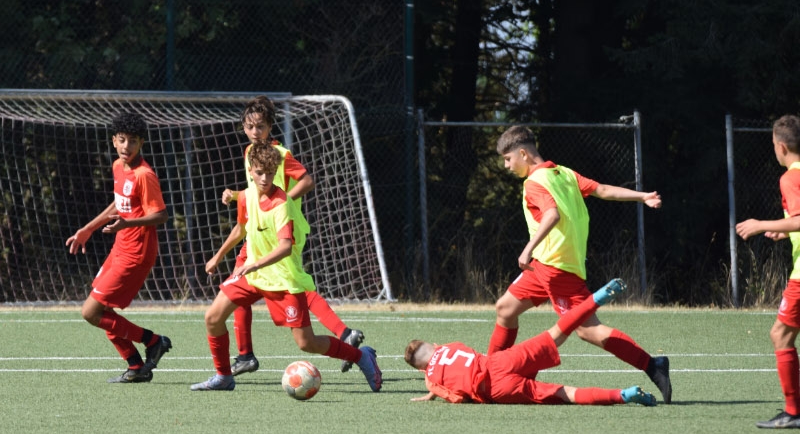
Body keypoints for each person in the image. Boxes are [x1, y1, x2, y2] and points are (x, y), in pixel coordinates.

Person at [490, 125, 672, 403]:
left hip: (557, 270)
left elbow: (551, 215)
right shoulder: (564, 173)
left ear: (523, 154)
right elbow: (603, 190)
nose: (506, 165)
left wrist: (527, 248)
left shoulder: (534, 183)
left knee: (588, 330)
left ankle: (652, 364)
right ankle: (491, 373)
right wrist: (642, 196)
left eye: (507, 159)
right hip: (543, 267)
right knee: (505, 308)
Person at [193, 140, 382, 392]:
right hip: (252, 274)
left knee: (306, 342)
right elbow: (241, 228)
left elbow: (284, 246)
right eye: (259, 172)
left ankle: (361, 356)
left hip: (281, 277)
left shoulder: (281, 203)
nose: (265, 179)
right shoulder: (246, 197)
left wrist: (254, 264)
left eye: (270, 173)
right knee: (213, 318)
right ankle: (224, 377)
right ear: (250, 170)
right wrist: (218, 257)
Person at [220, 95, 365, 376]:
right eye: (250, 127)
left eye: (260, 126)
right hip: (261, 230)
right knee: (246, 284)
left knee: (289, 284)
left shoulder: (280, 154)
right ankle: (246, 353)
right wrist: (235, 195)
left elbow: (307, 181)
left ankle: (248, 354)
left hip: (282, 229)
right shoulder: (250, 152)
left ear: (270, 127)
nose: (255, 132)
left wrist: (282, 203)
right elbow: (257, 193)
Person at [405, 278, 657, 406]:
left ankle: (622, 395)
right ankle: (596, 298)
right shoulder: (450, 346)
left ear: (420, 369)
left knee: (565, 393)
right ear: (435, 345)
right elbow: (449, 362)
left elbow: (457, 396)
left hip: (497, 389)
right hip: (499, 361)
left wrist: (432, 390)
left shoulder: (430, 377)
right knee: (557, 332)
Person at [66, 111, 172, 384]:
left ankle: (154, 341)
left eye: (133, 141)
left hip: (137, 253)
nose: (127, 146)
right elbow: (119, 203)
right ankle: (135, 365)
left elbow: (161, 215)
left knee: (90, 312)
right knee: (102, 311)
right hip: (120, 247)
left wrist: (128, 224)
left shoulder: (144, 175)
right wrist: (88, 229)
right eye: (122, 140)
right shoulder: (117, 166)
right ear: (114, 140)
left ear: (141, 143)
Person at [735, 114, 800, 429]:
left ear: (782, 147)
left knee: (780, 334)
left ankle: (793, 412)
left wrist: (761, 224)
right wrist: (784, 231)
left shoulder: (790, 177)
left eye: (774, 144)